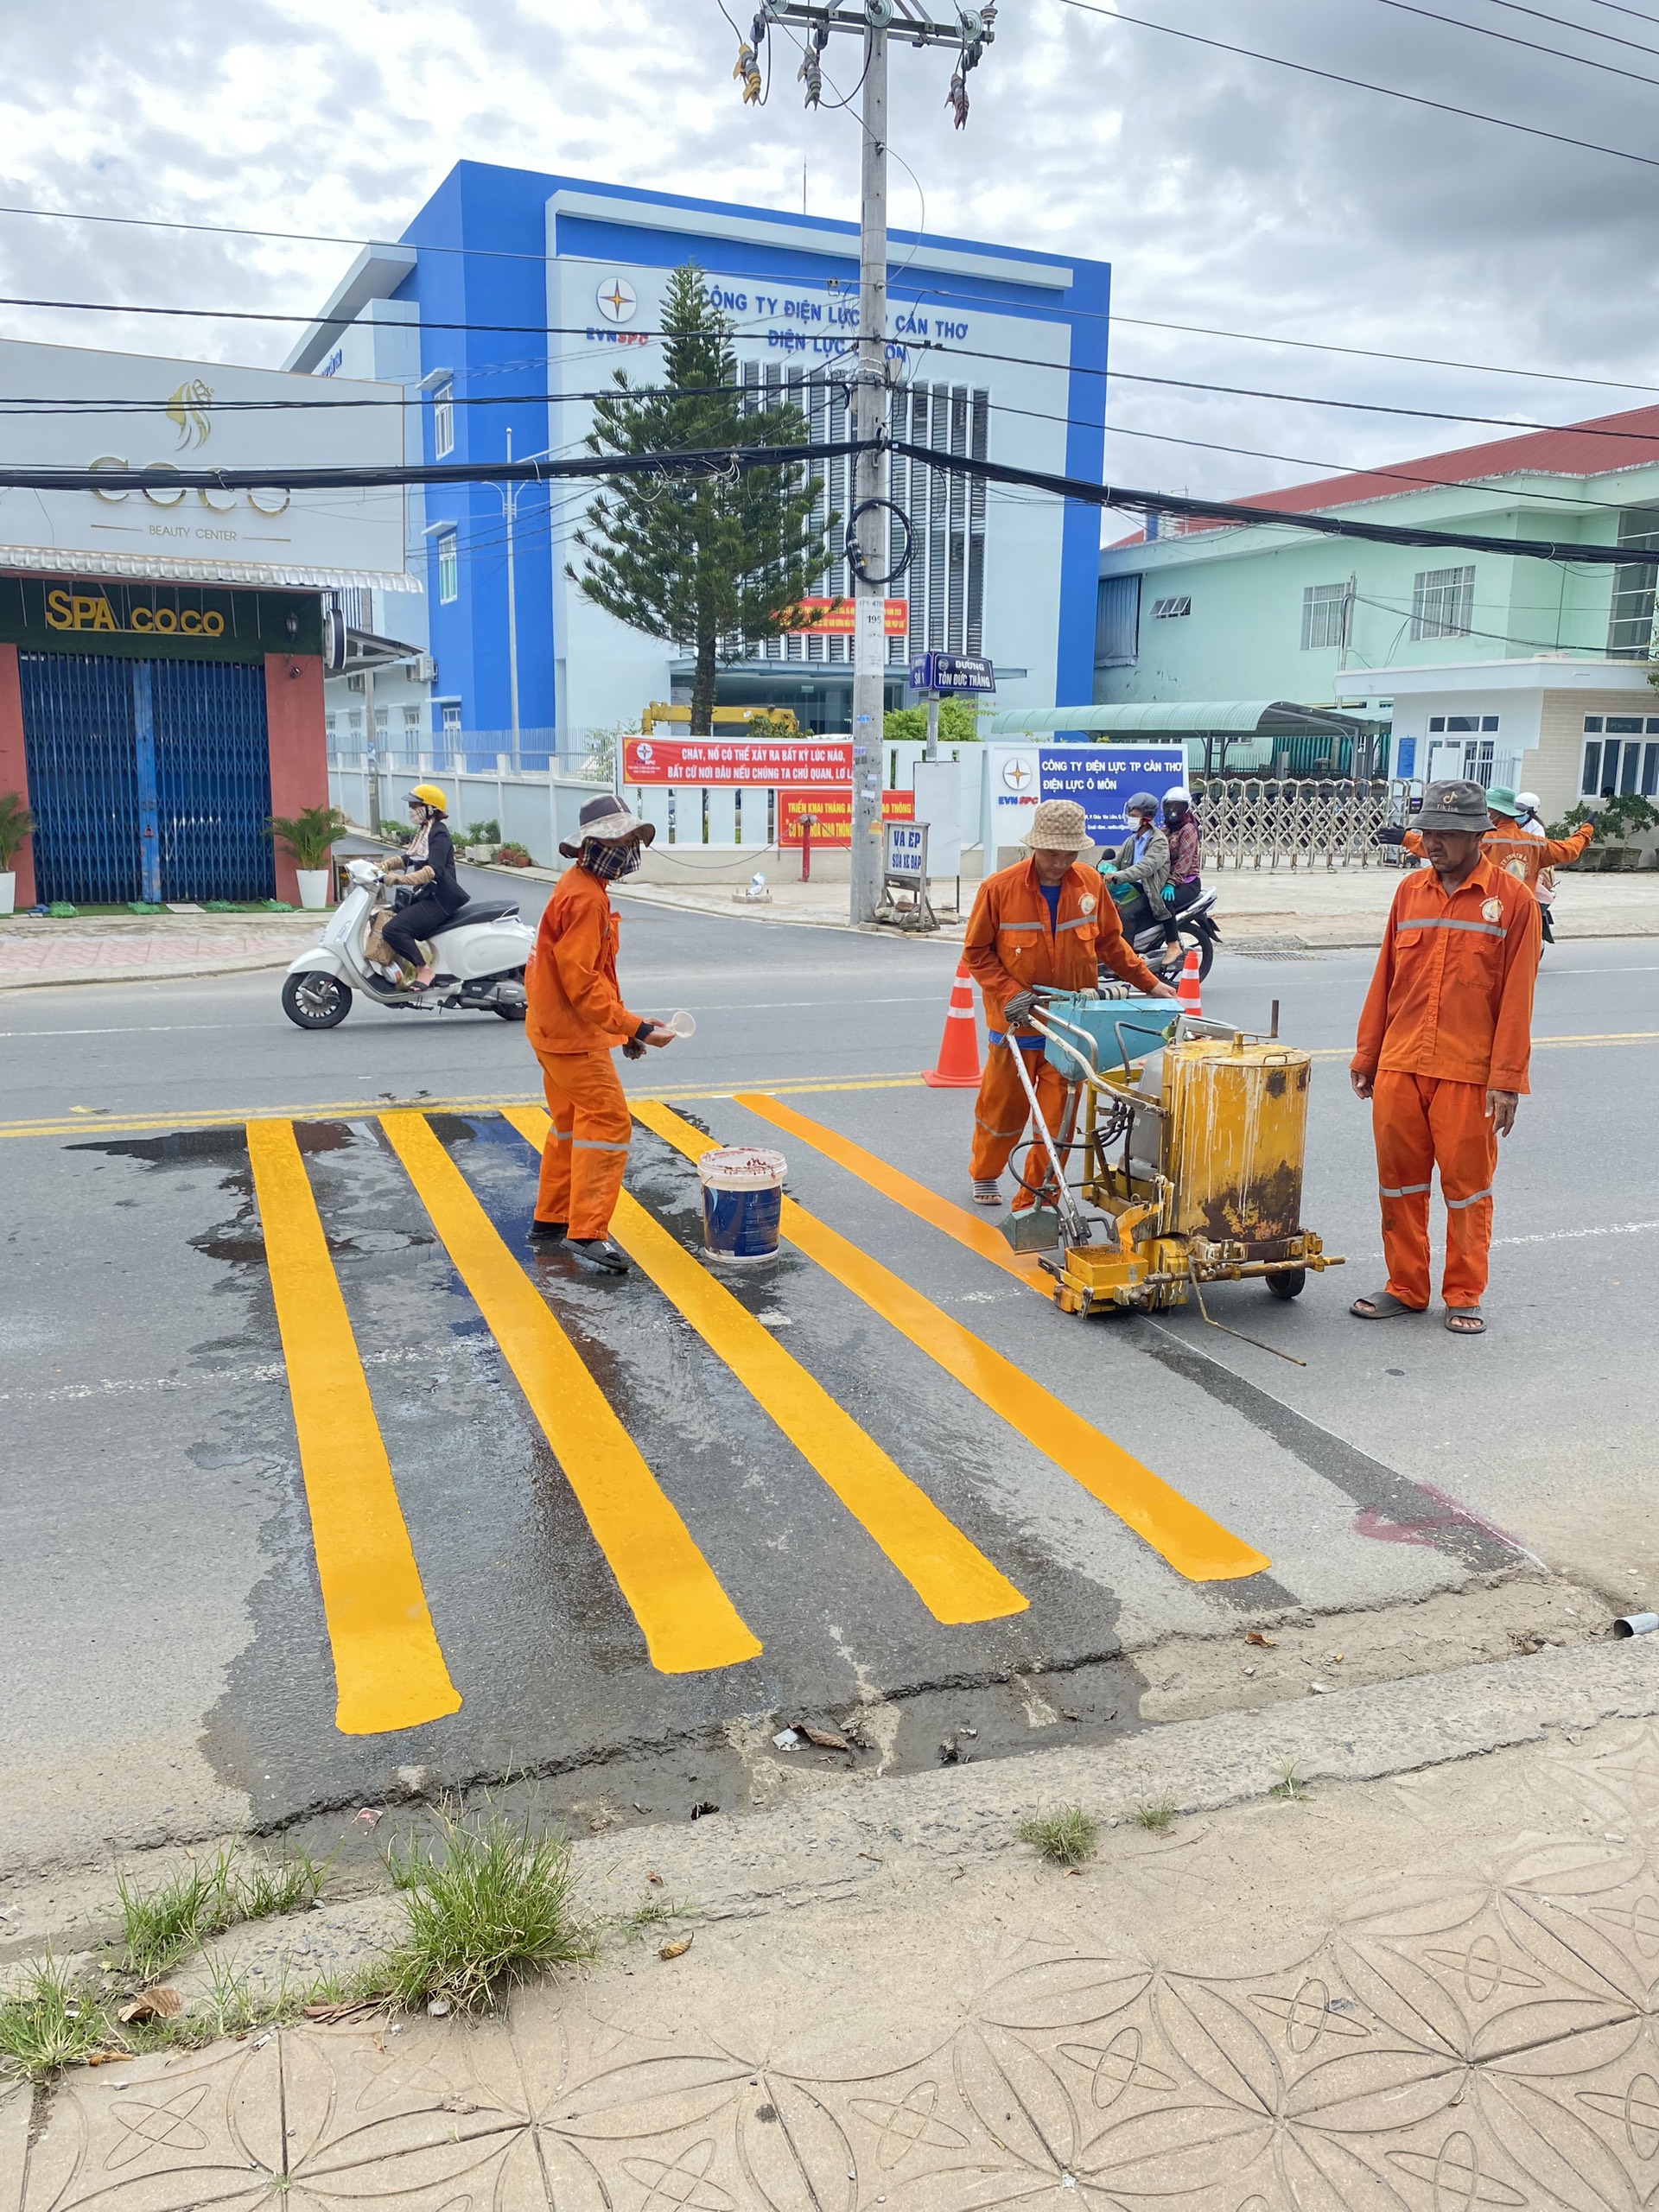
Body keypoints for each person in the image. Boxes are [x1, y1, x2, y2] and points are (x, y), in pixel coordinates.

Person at [1349, 779, 1541, 1337]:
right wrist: (1368, 1054)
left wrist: (1506, 1080)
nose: (1433, 841)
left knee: (1468, 1190)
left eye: (1447, 833)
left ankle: (1464, 1292)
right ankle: (1405, 1287)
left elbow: (1517, 1000)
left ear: (1478, 836)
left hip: (1469, 1074)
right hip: (1402, 1065)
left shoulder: (1514, 901)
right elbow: (1385, 976)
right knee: (1399, 1185)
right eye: (1429, 830)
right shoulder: (1409, 892)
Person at [963, 798, 1178, 1211]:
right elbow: (976, 954)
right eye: (1051, 853)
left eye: (1069, 854)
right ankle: (986, 1171)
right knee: (1003, 1111)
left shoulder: (1090, 884)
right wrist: (1010, 994)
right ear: (1034, 848)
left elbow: (1111, 943)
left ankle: (1037, 1199)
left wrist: (1149, 983)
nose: (1060, 862)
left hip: (1070, 1027)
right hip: (1017, 1024)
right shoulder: (999, 889)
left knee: (1058, 1120)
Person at [524, 792, 676, 1274]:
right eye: (625, 839)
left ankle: (551, 1218)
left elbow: (595, 976)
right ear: (599, 844)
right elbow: (583, 984)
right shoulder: (587, 898)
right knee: (609, 1123)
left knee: (570, 1124)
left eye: (634, 840)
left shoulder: (578, 884)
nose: (631, 850)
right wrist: (637, 1028)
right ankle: (587, 1231)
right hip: (572, 1038)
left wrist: (627, 1029)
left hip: (552, 1030)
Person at [378, 785, 467, 986]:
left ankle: (424, 970)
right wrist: (385, 865)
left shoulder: (439, 834)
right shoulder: (425, 832)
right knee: (380, 918)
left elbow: (432, 870)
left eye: (415, 804)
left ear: (430, 808)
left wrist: (399, 879)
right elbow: (411, 857)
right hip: (426, 896)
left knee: (393, 930)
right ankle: (401, 965)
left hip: (440, 900)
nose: (411, 809)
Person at [1096, 793, 1170, 944]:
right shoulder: (1132, 840)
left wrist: (1118, 876)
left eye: (1134, 815)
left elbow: (1145, 868)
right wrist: (1102, 869)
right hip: (1130, 888)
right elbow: (1116, 861)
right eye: (1129, 815)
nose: (1130, 819)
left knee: (1126, 914)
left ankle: (1127, 960)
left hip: (1149, 891)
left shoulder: (1159, 841)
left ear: (1147, 817)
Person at [1159, 784, 1204, 958]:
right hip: (1168, 879)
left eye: (1178, 806)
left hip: (1187, 883)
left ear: (1186, 808)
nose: (1173, 811)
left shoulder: (1188, 829)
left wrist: (1171, 883)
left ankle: (1173, 944)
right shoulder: (1167, 829)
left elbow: (1185, 861)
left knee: (1164, 903)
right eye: (1169, 806)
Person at [1516, 789, 1556, 944]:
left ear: (1531, 812)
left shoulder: (1536, 828)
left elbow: (1539, 852)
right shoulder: (1507, 822)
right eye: (1516, 808)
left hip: (1530, 868)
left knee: (1534, 892)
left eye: (1522, 810)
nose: (1518, 813)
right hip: (1508, 865)